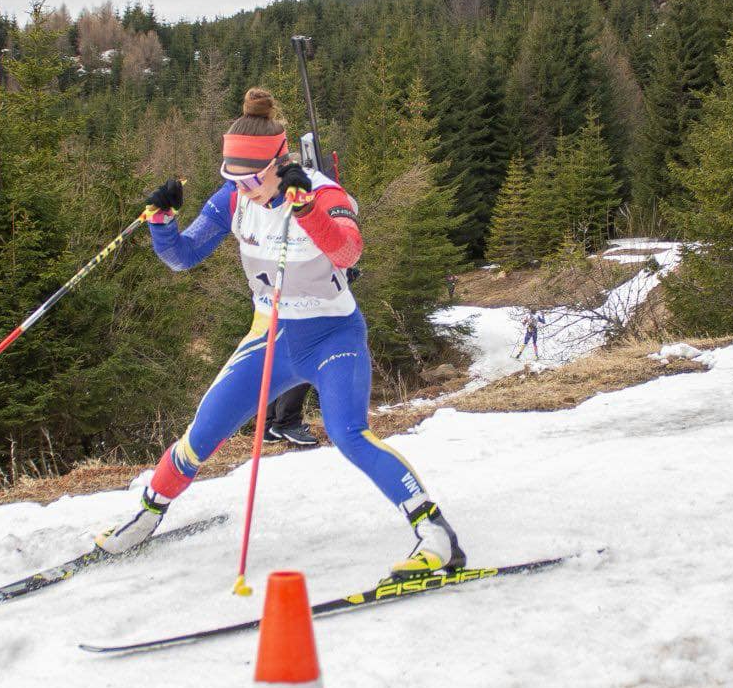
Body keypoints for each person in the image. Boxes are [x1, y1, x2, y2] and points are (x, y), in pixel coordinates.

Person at [94, 88, 466, 579]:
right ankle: (145, 517)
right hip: (268, 336)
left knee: (347, 432)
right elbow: (182, 258)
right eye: (233, 178)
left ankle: (436, 535)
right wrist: (162, 221)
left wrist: (307, 210)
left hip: (332, 336)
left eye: (250, 178)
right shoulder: (234, 199)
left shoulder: (323, 193)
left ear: (279, 161)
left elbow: (348, 253)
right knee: (201, 433)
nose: (242, 188)